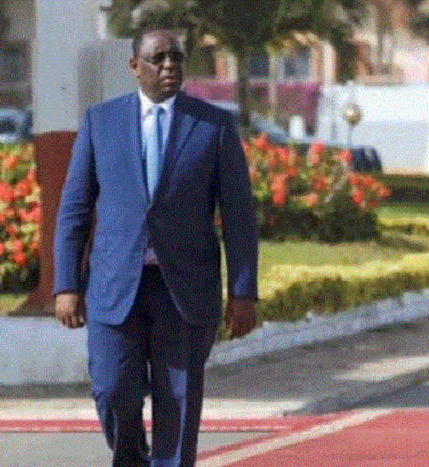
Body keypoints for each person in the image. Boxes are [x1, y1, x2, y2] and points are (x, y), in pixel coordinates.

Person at [53, 29, 258, 467]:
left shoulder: (213, 126)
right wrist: (66, 284)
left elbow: (238, 216)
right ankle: (133, 458)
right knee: (112, 387)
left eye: (176, 58)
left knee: (178, 400)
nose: (169, 66)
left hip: (183, 289)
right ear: (135, 67)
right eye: (158, 58)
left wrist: (243, 292)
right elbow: (74, 209)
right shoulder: (100, 122)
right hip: (114, 286)